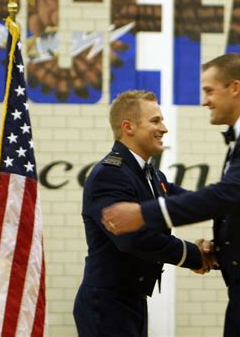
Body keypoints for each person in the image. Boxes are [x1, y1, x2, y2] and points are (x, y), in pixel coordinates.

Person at [102, 54, 240, 336]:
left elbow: (225, 196)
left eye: (209, 90)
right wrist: (220, 249)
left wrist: (143, 214)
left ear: (235, 88)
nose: (204, 101)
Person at [73, 90, 213, 337]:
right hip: (106, 305)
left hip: (130, 301)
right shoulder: (111, 174)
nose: (164, 128)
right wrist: (194, 255)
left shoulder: (151, 175)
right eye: (155, 121)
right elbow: (133, 238)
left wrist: (232, 207)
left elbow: (190, 203)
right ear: (128, 127)